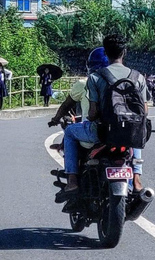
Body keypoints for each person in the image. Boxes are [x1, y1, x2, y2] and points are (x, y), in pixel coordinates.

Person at [56, 34, 147, 203]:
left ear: (106, 52)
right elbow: (145, 111)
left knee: (69, 132)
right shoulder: (139, 77)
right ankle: (136, 180)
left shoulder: (96, 77)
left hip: (101, 133)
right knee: (134, 134)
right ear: (124, 52)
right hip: (129, 135)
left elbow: (92, 113)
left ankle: (73, 180)